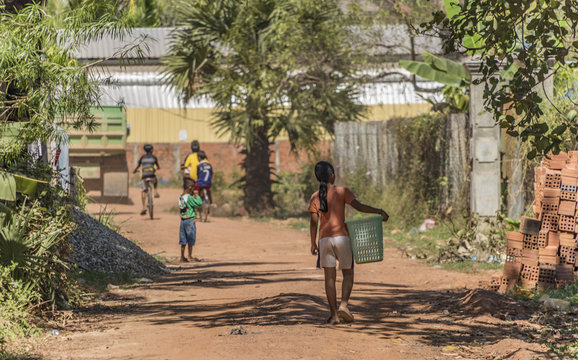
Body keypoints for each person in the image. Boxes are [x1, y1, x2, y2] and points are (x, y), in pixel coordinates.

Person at [309, 161, 388, 325]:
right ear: (332, 175)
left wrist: (313, 243)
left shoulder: (315, 196)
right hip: (342, 238)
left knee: (329, 278)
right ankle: (344, 304)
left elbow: (313, 223)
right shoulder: (342, 191)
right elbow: (360, 207)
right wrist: (379, 211)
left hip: (324, 240)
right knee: (348, 273)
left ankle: (333, 316)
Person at [133, 144, 160, 215]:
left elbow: (138, 166)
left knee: (143, 191)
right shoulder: (154, 157)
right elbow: (158, 166)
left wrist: (134, 170)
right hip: (152, 175)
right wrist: (157, 168)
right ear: (151, 150)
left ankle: (143, 207)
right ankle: (155, 191)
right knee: (155, 179)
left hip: (144, 176)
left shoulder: (142, 158)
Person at [178, 185, 202, 262]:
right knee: (190, 238)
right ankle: (189, 256)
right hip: (189, 220)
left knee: (183, 239)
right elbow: (199, 203)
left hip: (183, 220)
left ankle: (182, 256)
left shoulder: (181, 197)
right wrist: (197, 195)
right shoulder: (189, 197)